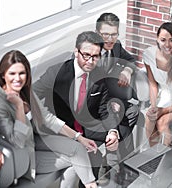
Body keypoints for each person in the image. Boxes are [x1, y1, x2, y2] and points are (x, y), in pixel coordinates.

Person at [0, 50, 98, 188]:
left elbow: (47, 118)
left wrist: (79, 137)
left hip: (36, 138)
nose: (18, 78)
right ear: (3, 75)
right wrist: (20, 108)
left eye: (22, 73)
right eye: (12, 73)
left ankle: (91, 185)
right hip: (24, 155)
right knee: (77, 161)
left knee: (78, 149)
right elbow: (18, 141)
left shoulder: (25, 91)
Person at [33, 31, 120, 186]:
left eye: (96, 56)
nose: (91, 61)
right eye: (86, 55)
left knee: (107, 142)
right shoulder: (57, 73)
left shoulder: (98, 75)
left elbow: (104, 109)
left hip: (84, 125)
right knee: (88, 157)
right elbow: (31, 95)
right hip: (58, 130)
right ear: (76, 51)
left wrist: (113, 131)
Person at [95, 12, 140, 160]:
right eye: (105, 35)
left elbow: (131, 60)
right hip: (92, 103)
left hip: (109, 96)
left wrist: (127, 70)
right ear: (97, 33)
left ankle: (123, 159)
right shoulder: (89, 54)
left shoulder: (116, 46)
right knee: (115, 113)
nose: (110, 39)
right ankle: (119, 159)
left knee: (133, 111)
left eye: (114, 34)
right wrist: (110, 102)